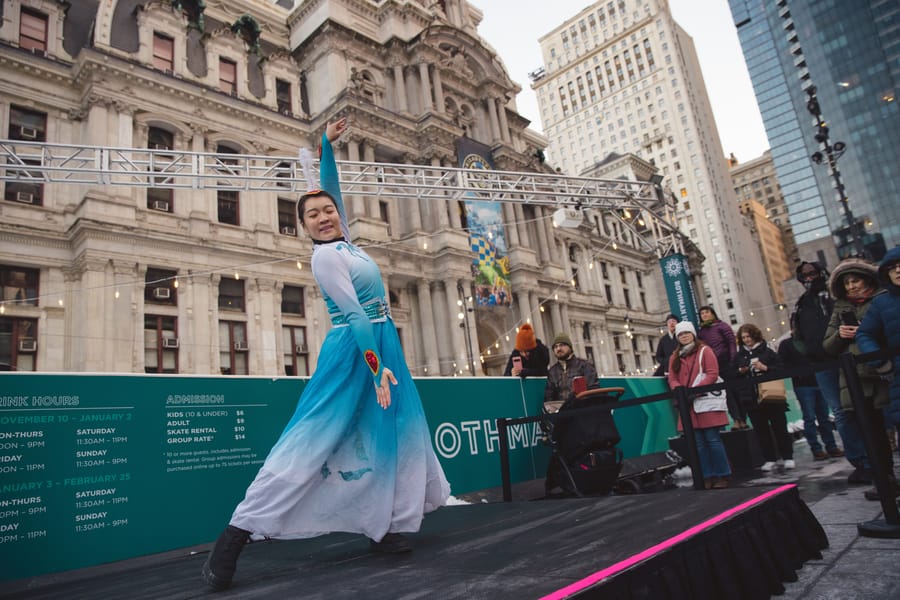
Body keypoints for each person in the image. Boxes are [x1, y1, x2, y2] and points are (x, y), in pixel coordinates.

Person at [201, 118, 450, 591]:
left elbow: (329, 186)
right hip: (356, 352)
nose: (323, 216)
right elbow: (355, 317)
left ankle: (385, 527)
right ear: (303, 226)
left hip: (381, 347)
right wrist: (377, 371)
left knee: (389, 434)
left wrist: (325, 146)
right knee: (311, 441)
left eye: (327, 210)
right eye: (312, 214)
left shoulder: (346, 242)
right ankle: (233, 538)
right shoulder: (326, 257)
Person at [823, 257, 895, 500]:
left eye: (855, 281)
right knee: (872, 434)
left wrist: (867, 329)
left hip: (886, 374)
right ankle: (884, 480)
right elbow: (828, 346)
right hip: (857, 380)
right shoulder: (841, 307)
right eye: (847, 283)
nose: (851, 286)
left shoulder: (884, 299)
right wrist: (841, 335)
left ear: (867, 280)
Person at [793, 260, 870, 483]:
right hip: (822, 365)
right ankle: (861, 462)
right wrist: (809, 353)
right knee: (841, 413)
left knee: (862, 407)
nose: (809, 278)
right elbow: (797, 335)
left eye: (813, 273)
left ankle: (875, 457)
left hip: (848, 359)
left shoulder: (834, 297)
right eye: (804, 275)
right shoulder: (802, 304)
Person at [667, 321, 732, 489]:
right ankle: (707, 475)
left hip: (704, 403)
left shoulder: (705, 351)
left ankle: (722, 474)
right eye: (681, 334)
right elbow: (672, 378)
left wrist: (694, 391)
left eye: (687, 333)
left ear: (693, 334)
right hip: (688, 405)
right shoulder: (675, 357)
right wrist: (679, 390)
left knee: (713, 440)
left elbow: (712, 374)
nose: (684, 336)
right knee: (699, 444)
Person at [857, 247, 900, 460]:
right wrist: (880, 361)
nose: (898, 271)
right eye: (892, 268)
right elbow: (864, 334)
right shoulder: (881, 303)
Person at [733, 323, 792, 472]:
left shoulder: (768, 351)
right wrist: (741, 371)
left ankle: (788, 457)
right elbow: (732, 374)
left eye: (748, 336)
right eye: (743, 337)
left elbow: (781, 368)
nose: (746, 340)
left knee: (780, 428)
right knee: (761, 431)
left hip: (772, 396)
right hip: (751, 399)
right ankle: (770, 458)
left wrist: (765, 368)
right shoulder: (739, 356)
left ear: (755, 335)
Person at [778, 324, 842, 461]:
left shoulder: (810, 341)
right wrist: (797, 373)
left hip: (818, 381)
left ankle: (831, 446)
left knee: (823, 417)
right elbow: (782, 363)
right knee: (809, 418)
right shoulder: (787, 344)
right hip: (803, 384)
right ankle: (817, 449)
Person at [697, 306, 743, 429]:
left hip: (727, 363)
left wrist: (732, 359)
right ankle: (736, 419)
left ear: (712, 313)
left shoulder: (722, 326)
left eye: (707, 312)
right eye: (702, 313)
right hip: (714, 367)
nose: (705, 315)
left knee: (735, 392)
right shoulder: (701, 332)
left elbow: (731, 342)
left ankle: (742, 418)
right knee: (726, 394)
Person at [543, 332, 599, 414]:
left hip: (584, 412)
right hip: (563, 415)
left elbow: (594, 390)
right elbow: (549, 396)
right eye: (555, 347)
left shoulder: (584, 365)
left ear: (570, 347)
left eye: (562, 345)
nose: (558, 349)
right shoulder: (552, 371)